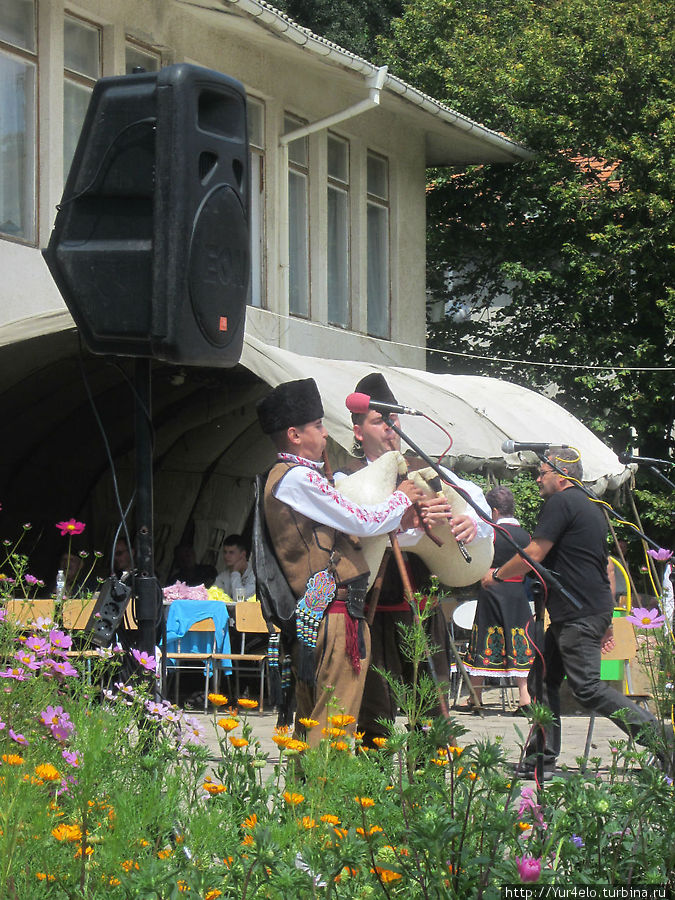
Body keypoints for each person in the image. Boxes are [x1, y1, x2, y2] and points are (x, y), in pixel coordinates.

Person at [256, 377, 445, 747]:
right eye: (318, 427)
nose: (326, 435)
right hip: (332, 616)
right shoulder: (295, 478)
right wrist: (402, 500)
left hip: (330, 613)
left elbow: (354, 526)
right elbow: (360, 519)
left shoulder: (298, 477)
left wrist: (400, 516)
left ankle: (306, 801)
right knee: (333, 725)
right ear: (294, 434)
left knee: (319, 721)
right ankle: (325, 801)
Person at [334, 372, 494, 745]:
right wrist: (403, 516)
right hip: (370, 611)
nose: (390, 429)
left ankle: (431, 791)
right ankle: (371, 798)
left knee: (431, 712)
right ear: (359, 431)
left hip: (420, 606)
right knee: (375, 718)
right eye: (379, 421)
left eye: (394, 421)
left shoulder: (423, 468)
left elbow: (476, 499)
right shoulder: (347, 476)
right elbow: (351, 528)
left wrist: (471, 522)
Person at [481, 447, 661, 776]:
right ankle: (542, 759)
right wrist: (605, 617)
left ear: (562, 476)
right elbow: (605, 568)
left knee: (588, 687)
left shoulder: (561, 502)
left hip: (578, 614)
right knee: (542, 679)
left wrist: (496, 575)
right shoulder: (590, 507)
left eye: (542, 472)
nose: (537, 478)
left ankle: (662, 740)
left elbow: (534, 552)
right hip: (585, 611)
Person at [461, 485, 535, 713]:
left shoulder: (491, 533)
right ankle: (525, 697)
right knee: (519, 641)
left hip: (491, 588)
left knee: (484, 637)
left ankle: (476, 696)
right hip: (517, 593)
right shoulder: (526, 536)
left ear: (493, 511)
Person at [214, 534, 256, 599]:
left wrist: (235, 573)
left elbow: (239, 598)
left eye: (231, 552)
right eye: (225, 552)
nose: (226, 556)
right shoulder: (222, 577)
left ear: (243, 554)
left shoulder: (255, 575)